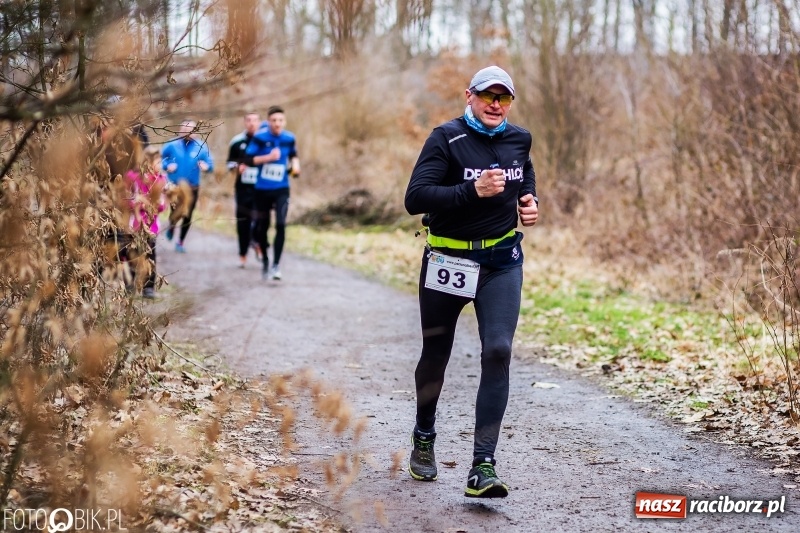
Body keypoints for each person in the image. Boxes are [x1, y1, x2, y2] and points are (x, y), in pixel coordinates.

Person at [404, 65, 539, 498]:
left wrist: (529, 201)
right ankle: (424, 433)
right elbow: (416, 198)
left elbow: (523, 175)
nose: (496, 104)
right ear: (470, 95)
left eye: (504, 98)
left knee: (498, 349)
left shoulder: (520, 138)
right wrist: (470, 191)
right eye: (488, 96)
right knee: (436, 353)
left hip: (500, 260)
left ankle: (483, 465)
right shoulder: (445, 138)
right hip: (448, 258)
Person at [244, 105, 300, 280]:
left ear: (284, 121)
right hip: (262, 189)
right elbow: (248, 159)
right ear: (268, 122)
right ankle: (266, 260)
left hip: (282, 188)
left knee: (281, 224)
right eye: (274, 120)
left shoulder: (289, 138)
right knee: (262, 227)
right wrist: (267, 158)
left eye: (280, 120)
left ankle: (276, 265)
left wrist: (296, 165)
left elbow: (293, 155)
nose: (277, 123)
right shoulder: (260, 138)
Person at [161, 120, 214, 253]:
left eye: (191, 130)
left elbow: (210, 164)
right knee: (174, 211)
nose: (188, 133)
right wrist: (167, 166)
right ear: (180, 130)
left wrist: (206, 167)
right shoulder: (172, 145)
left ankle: (181, 242)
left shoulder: (201, 147)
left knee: (188, 214)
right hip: (175, 187)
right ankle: (172, 225)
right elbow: (159, 159)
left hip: (192, 188)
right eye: (185, 130)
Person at [127, 147, 168, 298]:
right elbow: (125, 199)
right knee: (132, 254)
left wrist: (149, 205)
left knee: (150, 256)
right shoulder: (133, 177)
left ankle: (148, 288)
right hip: (135, 225)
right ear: (148, 162)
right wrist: (136, 204)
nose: (161, 165)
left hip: (152, 227)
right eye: (158, 162)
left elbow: (162, 205)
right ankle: (129, 284)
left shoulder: (160, 180)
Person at [227, 112, 262, 268]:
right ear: (244, 122)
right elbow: (229, 163)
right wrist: (236, 167)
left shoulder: (265, 141)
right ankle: (242, 255)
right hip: (242, 189)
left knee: (259, 219)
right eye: (248, 120)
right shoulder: (237, 142)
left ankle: (256, 242)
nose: (252, 123)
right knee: (243, 222)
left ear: (259, 122)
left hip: (262, 189)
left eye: (255, 120)